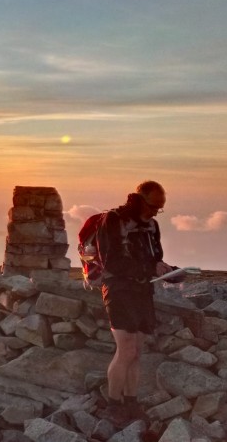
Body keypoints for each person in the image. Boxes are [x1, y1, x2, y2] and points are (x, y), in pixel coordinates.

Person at [96, 180, 179, 427]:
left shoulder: (152, 226)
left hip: (143, 290)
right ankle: (113, 405)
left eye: (160, 208)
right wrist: (149, 267)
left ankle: (131, 403)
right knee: (127, 349)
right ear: (140, 199)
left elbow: (156, 257)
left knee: (137, 352)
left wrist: (167, 269)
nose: (156, 212)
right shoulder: (113, 220)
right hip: (119, 289)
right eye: (154, 206)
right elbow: (110, 263)